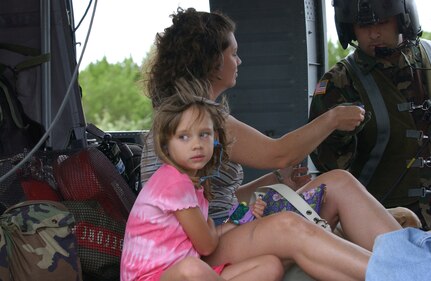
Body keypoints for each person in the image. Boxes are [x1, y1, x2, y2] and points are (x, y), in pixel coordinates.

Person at [141, 7, 403, 281]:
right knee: (290, 224)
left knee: (338, 182)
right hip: (195, 251)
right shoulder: (197, 122)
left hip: (224, 229)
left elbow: (219, 200)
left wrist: (276, 179)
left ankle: (412, 258)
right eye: (233, 53)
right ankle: (403, 273)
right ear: (212, 62)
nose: (239, 61)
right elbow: (280, 153)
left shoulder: (182, 116)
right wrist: (333, 118)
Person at [121, 78, 285, 281]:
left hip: (185, 272)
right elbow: (206, 245)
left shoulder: (195, 181)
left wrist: (243, 214)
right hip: (152, 277)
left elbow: (210, 235)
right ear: (166, 145)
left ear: (215, 138)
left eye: (204, 134)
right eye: (184, 137)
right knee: (191, 268)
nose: (197, 144)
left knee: (270, 265)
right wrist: (208, 227)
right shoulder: (173, 182)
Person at [308, 0, 431, 229]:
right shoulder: (339, 82)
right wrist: (340, 134)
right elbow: (327, 167)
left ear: (403, 19)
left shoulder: (428, 57)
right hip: (386, 222)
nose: (374, 34)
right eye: (362, 26)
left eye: (382, 22)